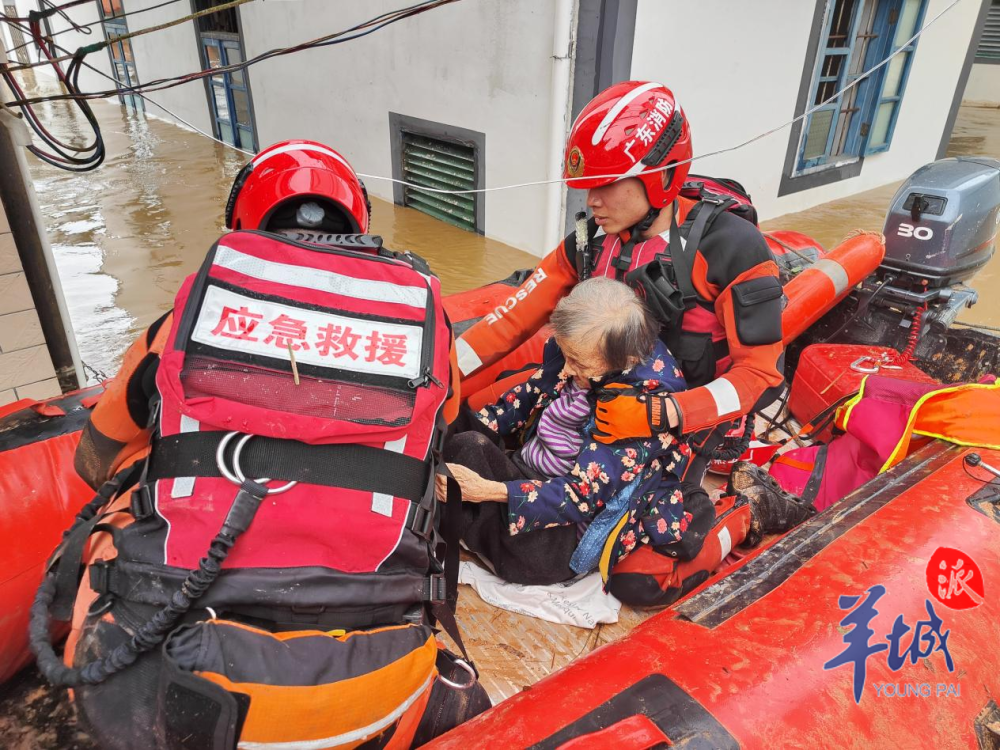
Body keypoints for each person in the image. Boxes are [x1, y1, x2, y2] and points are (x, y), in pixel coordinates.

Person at [55, 140, 487, 749]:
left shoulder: (180, 325)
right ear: (358, 227)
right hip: (377, 679)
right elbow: (445, 431)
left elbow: (93, 459)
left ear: (243, 224)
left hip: (176, 680)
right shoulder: (426, 336)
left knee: (118, 504)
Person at [454, 81, 786, 488]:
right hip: (591, 384)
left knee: (631, 507)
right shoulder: (590, 242)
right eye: (588, 186)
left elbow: (761, 375)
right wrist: (445, 369)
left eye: (607, 184)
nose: (591, 201)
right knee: (470, 415)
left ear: (659, 176)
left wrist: (664, 413)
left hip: (684, 412)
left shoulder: (731, 247)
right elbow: (511, 319)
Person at [442, 278, 733, 604]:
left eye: (578, 363)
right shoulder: (581, 353)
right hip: (528, 474)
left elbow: (581, 496)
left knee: (466, 454)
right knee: (459, 436)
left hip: (559, 537)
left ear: (624, 361)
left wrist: (487, 490)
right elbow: (522, 400)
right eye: (566, 354)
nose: (567, 369)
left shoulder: (635, 408)